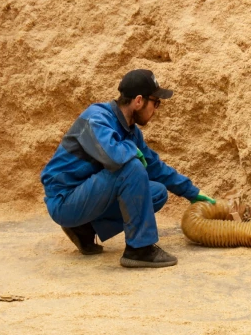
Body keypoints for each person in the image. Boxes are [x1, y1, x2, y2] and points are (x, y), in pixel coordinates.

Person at [40, 69, 215, 268]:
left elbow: (155, 167)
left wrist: (192, 193)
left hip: (86, 198)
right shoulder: (96, 118)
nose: (156, 109)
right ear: (139, 101)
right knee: (130, 167)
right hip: (65, 201)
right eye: (155, 103)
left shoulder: (131, 131)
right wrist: (135, 152)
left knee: (156, 193)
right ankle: (139, 249)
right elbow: (115, 157)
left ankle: (85, 229)